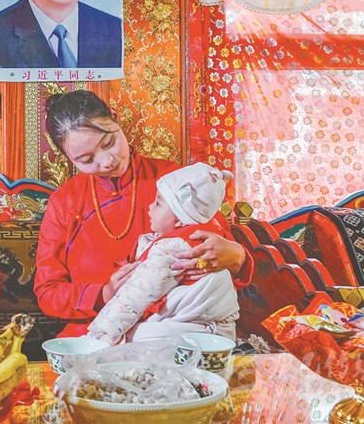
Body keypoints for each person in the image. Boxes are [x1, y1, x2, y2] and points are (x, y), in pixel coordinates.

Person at [34, 90, 252, 338]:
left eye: (109, 143)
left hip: (176, 331)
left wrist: (236, 257)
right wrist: (104, 293)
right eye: (86, 159)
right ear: (68, 158)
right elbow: (48, 292)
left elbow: (225, 254)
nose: (106, 162)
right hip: (92, 334)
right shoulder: (65, 202)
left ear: (115, 118)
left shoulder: (174, 181)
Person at [87, 163, 239, 344]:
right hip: (207, 327)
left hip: (199, 330)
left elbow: (135, 295)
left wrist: (100, 336)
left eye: (158, 203)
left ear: (181, 219)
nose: (150, 206)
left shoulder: (174, 248)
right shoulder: (192, 236)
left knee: (130, 340)